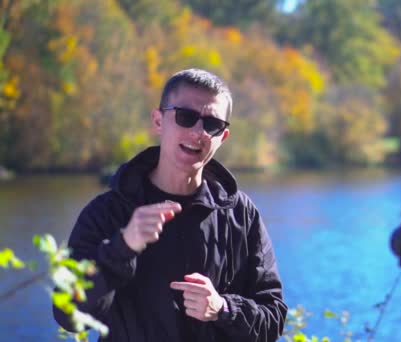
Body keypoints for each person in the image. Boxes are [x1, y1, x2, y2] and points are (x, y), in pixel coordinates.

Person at [53, 68, 287, 341]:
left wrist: (223, 308)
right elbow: (68, 316)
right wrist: (122, 248)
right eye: (186, 117)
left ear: (222, 137)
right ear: (158, 120)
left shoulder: (240, 215)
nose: (198, 132)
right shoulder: (107, 212)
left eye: (212, 125)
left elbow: (273, 318)